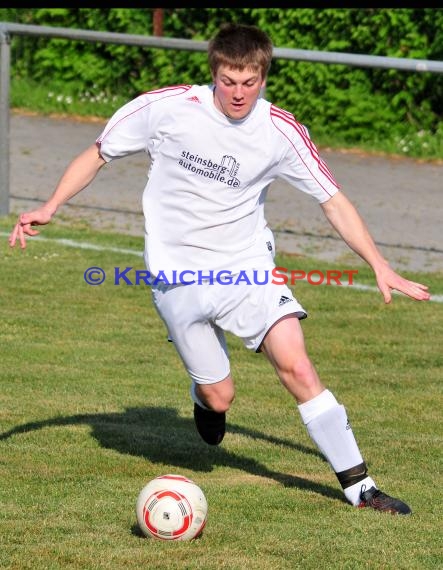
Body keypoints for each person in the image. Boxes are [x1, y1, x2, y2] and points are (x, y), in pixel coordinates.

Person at [9, 23, 430, 515]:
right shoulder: (166, 108)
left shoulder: (280, 132)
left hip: (245, 265)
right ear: (214, 74)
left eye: (249, 82)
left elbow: (332, 200)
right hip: (175, 273)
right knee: (220, 396)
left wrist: (379, 263)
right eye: (229, 81)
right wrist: (50, 205)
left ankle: (361, 488)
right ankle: (203, 393)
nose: (238, 93)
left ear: (263, 77)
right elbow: (99, 153)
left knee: (296, 362)